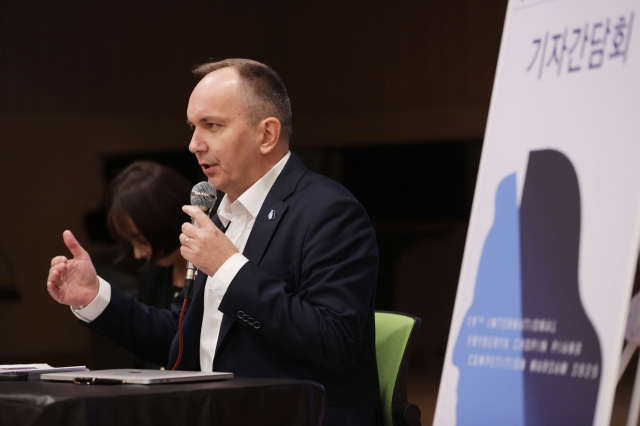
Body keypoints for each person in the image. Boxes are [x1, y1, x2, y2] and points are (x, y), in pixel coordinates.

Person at [47, 59, 381, 426]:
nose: (193, 144)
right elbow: (178, 338)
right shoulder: (221, 214)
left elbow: (334, 342)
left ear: (266, 134)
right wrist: (94, 296)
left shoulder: (329, 212)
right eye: (192, 127)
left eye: (212, 126)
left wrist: (229, 268)